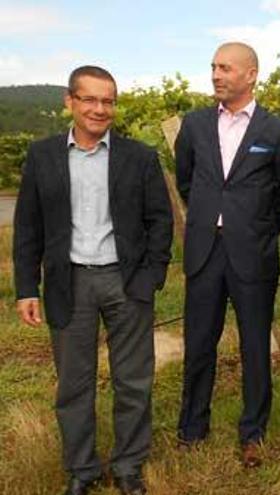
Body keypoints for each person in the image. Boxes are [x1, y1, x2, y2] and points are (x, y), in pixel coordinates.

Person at [13, 65, 173, 495]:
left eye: (108, 101)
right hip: (70, 284)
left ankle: (128, 467)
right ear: (70, 102)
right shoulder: (43, 155)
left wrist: (150, 278)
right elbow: (28, 226)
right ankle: (82, 470)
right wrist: (27, 287)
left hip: (126, 283)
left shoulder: (138, 157)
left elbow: (161, 222)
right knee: (74, 385)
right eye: (90, 99)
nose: (100, 109)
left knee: (133, 381)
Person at [175, 42, 280, 468]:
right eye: (212, 67)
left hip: (254, 256)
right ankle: (192, 428)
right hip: (205, 252)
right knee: (199, 344)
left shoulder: (277, 132)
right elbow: (187, 182)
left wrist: (256, 228)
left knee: (255, 347)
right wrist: (214, 219)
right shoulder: (194, 126)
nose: (216, 75)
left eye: (225, 68)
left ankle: (253, 432)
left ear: (251, 74)